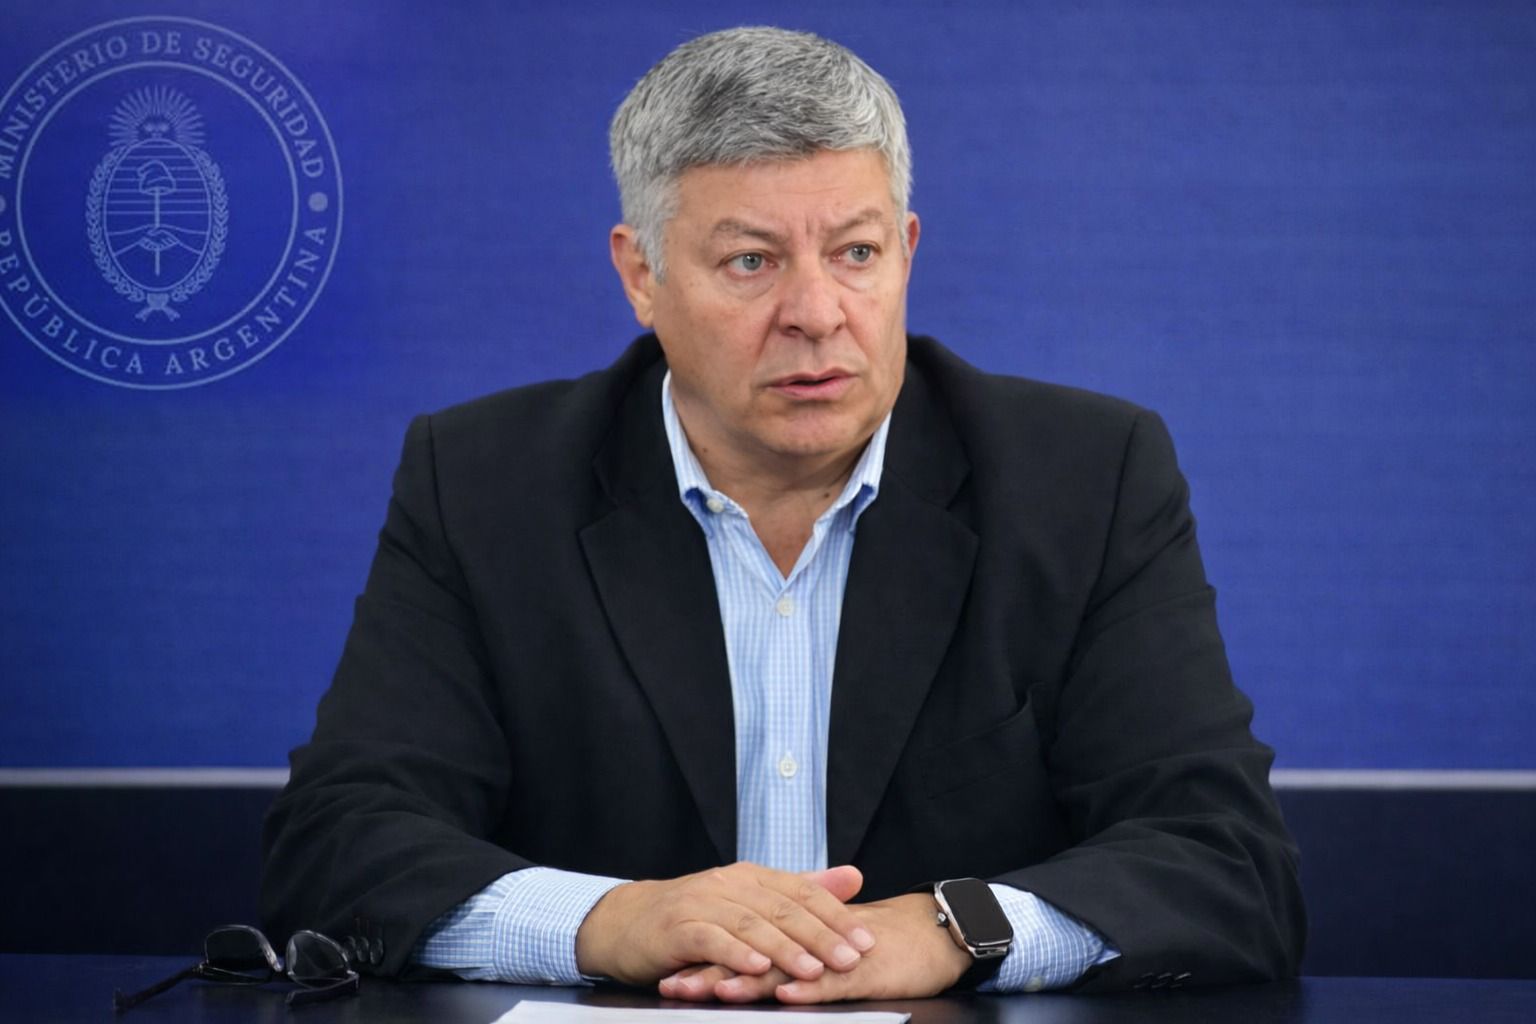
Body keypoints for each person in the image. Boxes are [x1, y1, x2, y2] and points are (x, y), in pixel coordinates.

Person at [260, 26, 1304, 1002]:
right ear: (641, 275)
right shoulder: (487, 485)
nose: (815, 313)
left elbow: (1225, 862)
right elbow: (339, 843)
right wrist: (611, 920)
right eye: (751, 262)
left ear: (906, 249)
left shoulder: (1083, 479)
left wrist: (953, 930)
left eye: (856, 253)